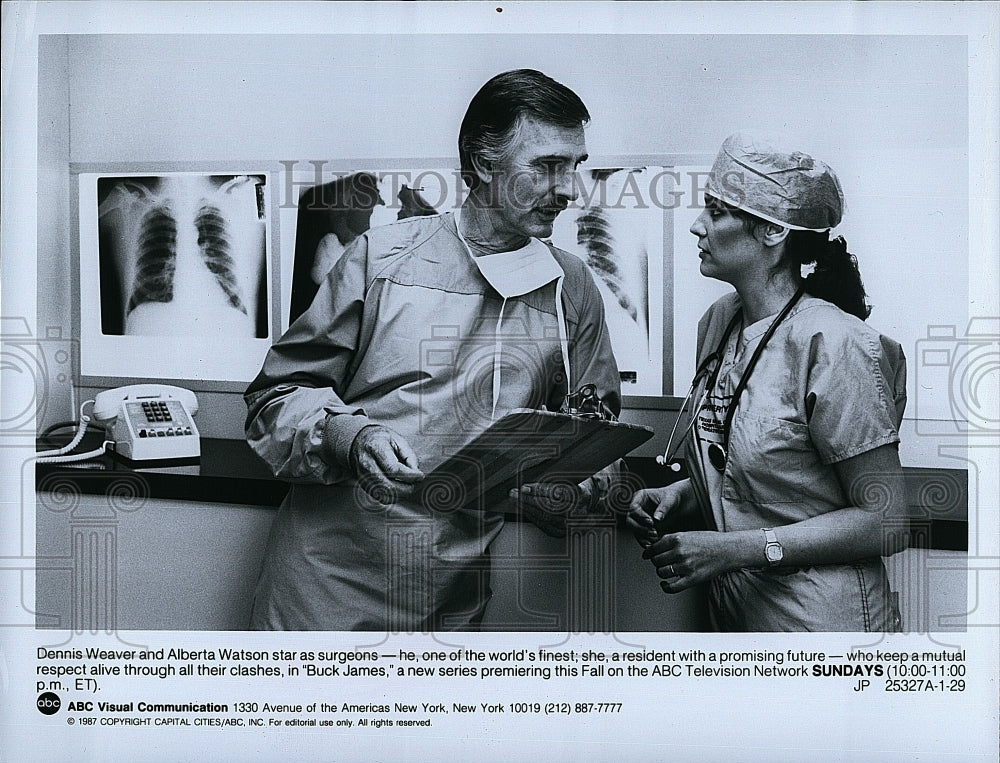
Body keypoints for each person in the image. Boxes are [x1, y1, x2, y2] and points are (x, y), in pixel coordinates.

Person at [244, 69, 621, 631]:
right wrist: (351, 435)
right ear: (482, 163)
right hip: (330, 590)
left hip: (451, 597)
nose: (569, 190)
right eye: (546, 167)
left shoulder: (571, 288)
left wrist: (583, 483)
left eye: (575, 167)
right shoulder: (381, 259)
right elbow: (275, 396)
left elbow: (594, 427)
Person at [629, 133, 908, 632]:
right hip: (737, 617)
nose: (697, 226)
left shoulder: (835, 344)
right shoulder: (718, 323)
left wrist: (736, 550)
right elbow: (756, 472)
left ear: (773, 234)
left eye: (716, 212)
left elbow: (886, 521)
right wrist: (683, 495)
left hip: (823, 627)